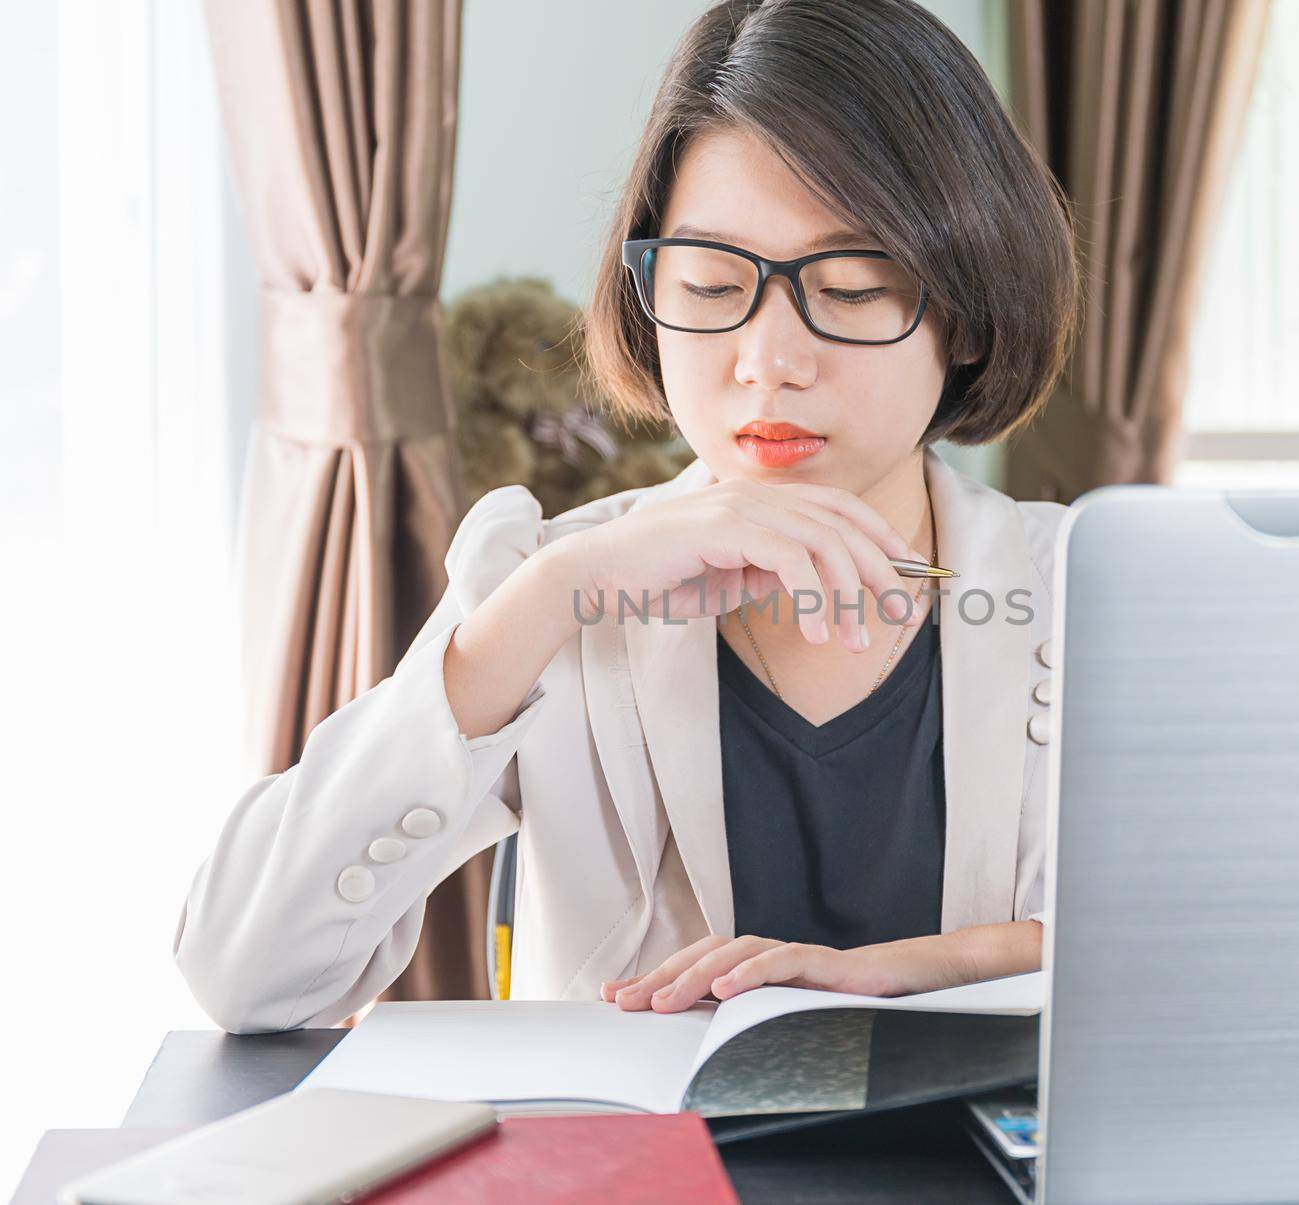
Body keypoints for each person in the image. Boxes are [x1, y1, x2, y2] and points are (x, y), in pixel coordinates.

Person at [174, 0, 1079, 1035]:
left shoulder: (1079, 593)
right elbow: (241, 967)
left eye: (851, 286)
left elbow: (1227, 957)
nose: (766, 362)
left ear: (964, 309)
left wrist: (914, 966)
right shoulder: (561, 581)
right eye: (709, 282)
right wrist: (544, 599)